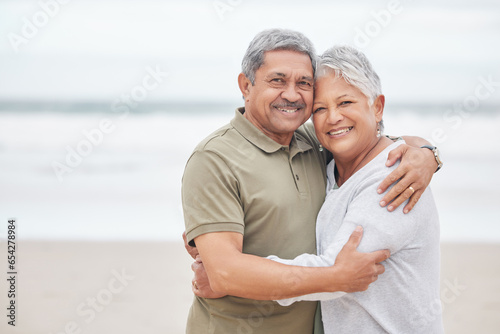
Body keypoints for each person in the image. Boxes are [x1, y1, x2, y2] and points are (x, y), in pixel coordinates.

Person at [182, 28, 440, 333]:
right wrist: (333, 278)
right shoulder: (215, 159)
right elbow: (225, 273)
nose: (292, 95)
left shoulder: (326, 148)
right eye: (277, 80)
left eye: (303, 83)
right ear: (246, 85)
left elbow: (370, 138)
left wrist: (427, 153)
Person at [268, 45, 444, 333]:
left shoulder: (394, 176)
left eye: (346, 102)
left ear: (377, 107)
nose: (333, 117)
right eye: (320, 108)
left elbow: (332, 275)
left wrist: (232, 272)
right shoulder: (329, 167)